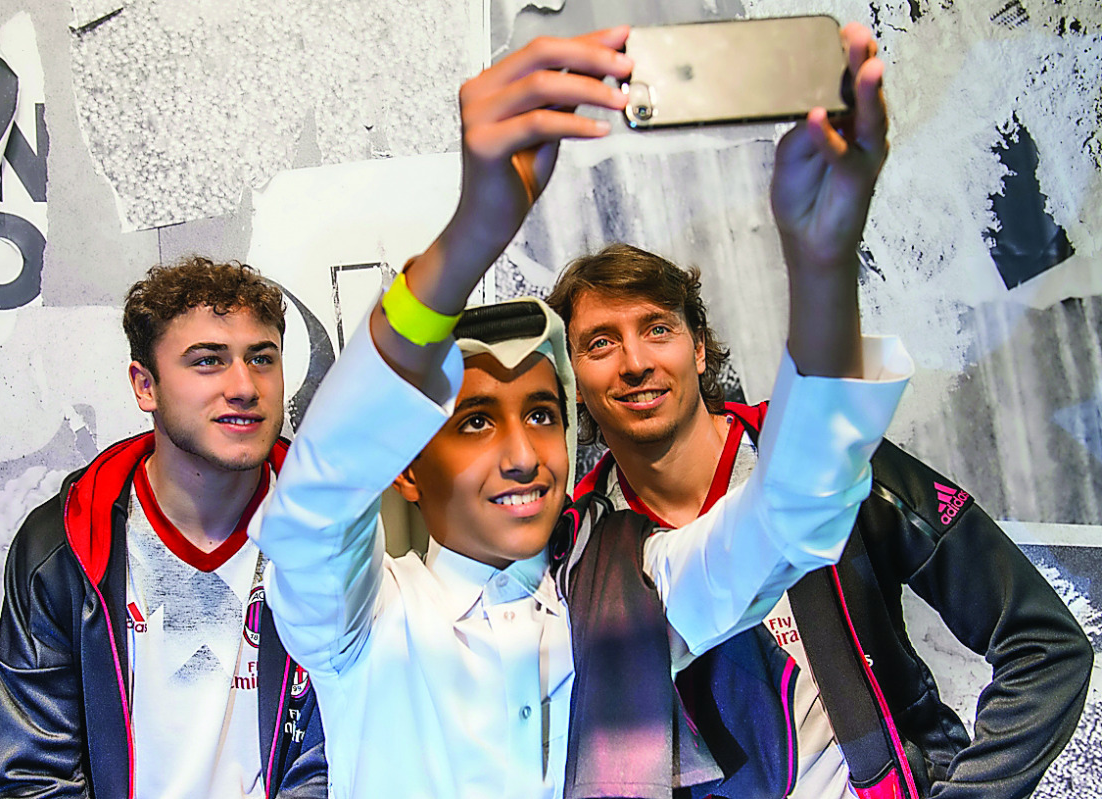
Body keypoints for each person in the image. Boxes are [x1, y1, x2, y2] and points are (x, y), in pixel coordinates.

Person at [252, 23, 913, 799]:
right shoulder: (363, 623)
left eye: (540, 414)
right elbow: (313, 508)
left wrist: (825, 260)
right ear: (403, 467)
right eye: (475, 422)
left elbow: (791, 519)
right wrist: (473, 231)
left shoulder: (624, 597)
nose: (525, 453)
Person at [548, 97, 1092, 799]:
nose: (634, 361)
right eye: (600, 342)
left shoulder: (826, 459)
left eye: (657, 328)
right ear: (576, 381)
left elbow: (1044, 644)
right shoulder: (577, 548)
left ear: (699, 346)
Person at [0, 258, 326, 799]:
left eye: (262, 359)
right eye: (209, 361)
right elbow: (32, 777)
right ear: (146, 385)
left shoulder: (328, 534)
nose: (244, 386)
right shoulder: (65, 545)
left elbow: (335, 763)